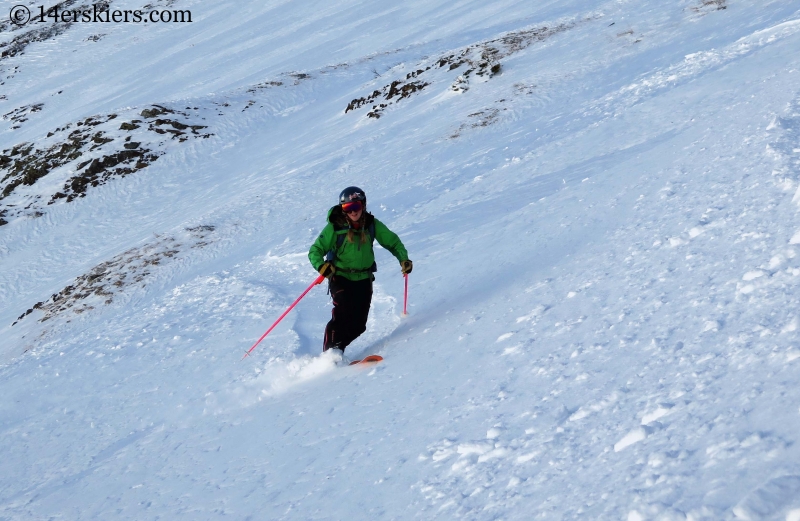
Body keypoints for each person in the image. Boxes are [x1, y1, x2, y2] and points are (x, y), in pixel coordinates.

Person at [308, 187, 412, 354]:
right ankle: (330, 354)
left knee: (359, 326)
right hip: (340, 277)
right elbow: (315, 250)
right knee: (342, 314)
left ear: (363, 205)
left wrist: (403, 259)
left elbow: (393, 242)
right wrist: (321, 266)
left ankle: (338, 349)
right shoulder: (335, 227)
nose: (353, 212)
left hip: (364, 278)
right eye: (347, 208)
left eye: (355, 206)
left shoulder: (371, 225)